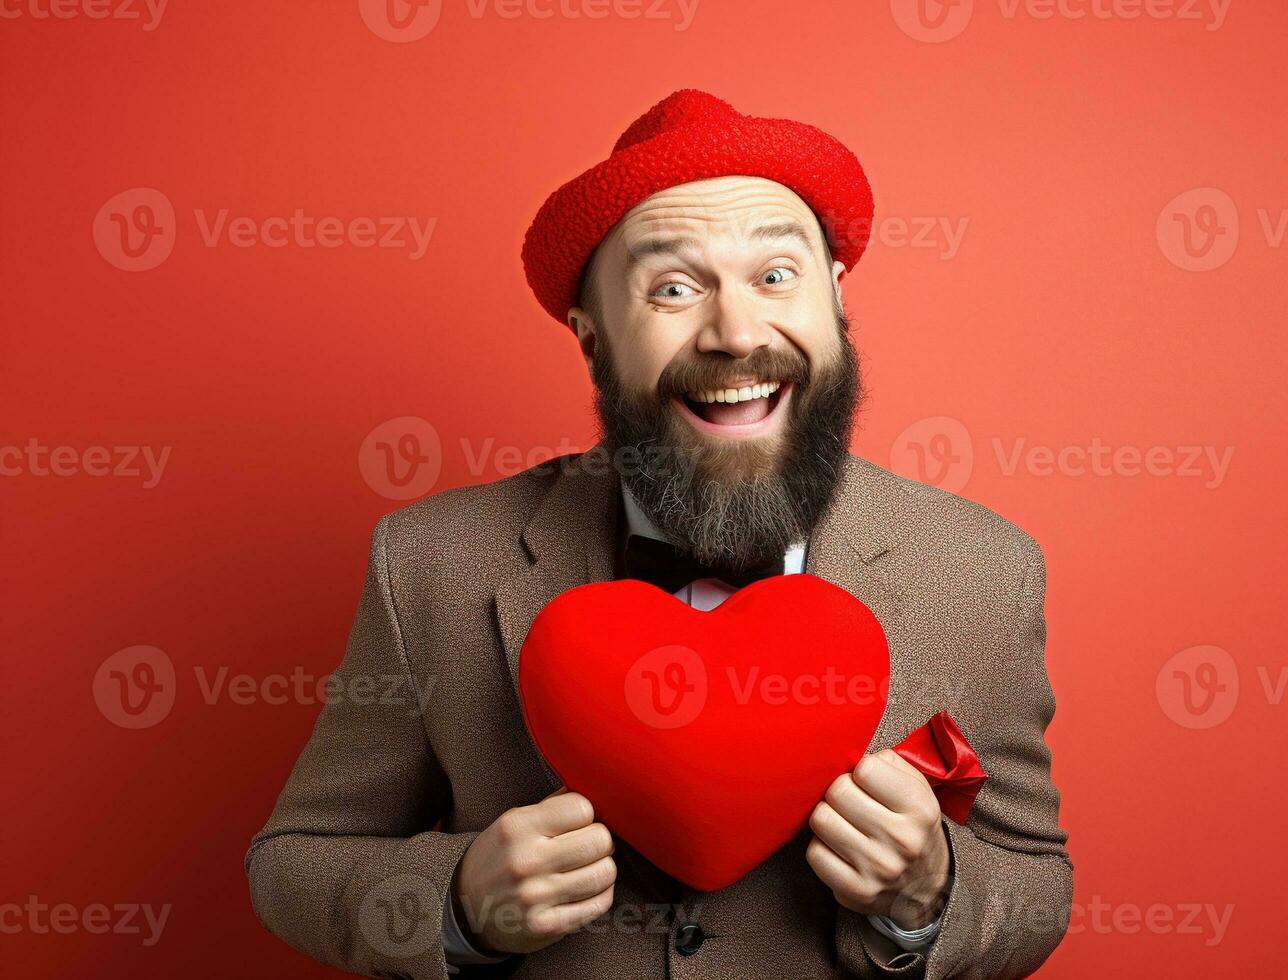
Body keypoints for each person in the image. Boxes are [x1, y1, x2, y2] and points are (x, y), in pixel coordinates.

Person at [246, 88, 1072, 980]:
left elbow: (1036, 881)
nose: (736, 332)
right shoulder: (428, 562)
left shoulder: (984, 568)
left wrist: (933, 892)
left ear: (835, 302)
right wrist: (454, 903)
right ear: (591, 336)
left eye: (775, 276)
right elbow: (295, 857)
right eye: (673, 287)